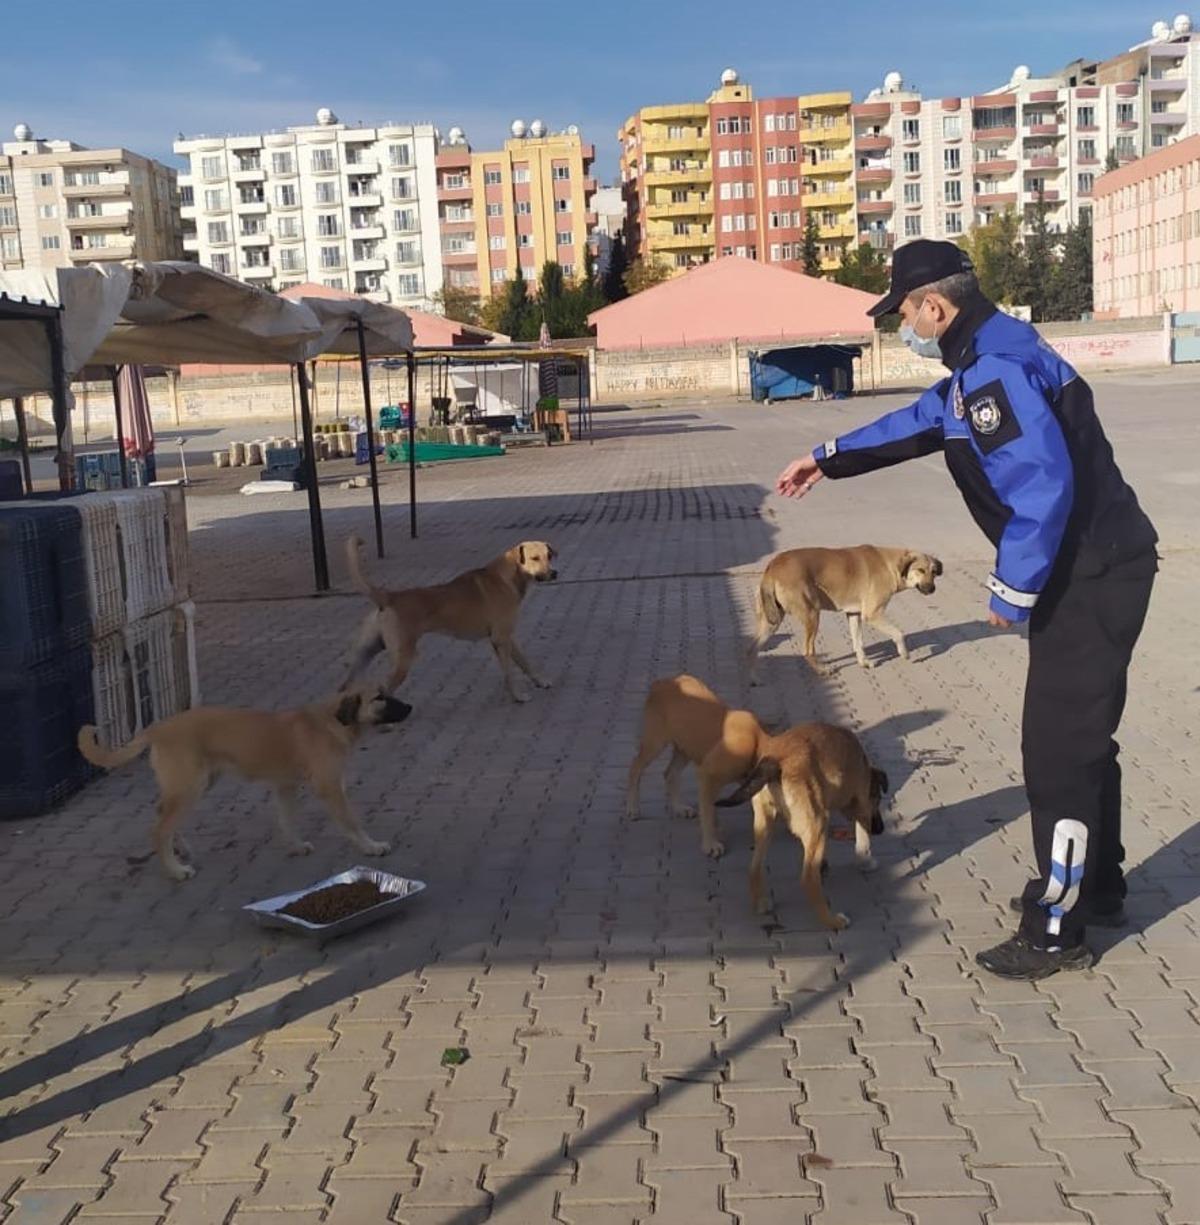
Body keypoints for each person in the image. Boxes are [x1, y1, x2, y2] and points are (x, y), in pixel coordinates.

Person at [776, 239, 1158, 981]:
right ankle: (1098, 889)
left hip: (1090, 573)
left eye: (903, 314)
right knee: (1082, 741)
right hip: (1098, 566)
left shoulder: (994, 375)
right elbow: (919, 422)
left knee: (1058, 754)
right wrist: (827, 456)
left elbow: (1043, 486)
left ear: (935, 307)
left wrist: (1010, 590)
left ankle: (1057, 928)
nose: (903, 328)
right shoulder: (981, 364)